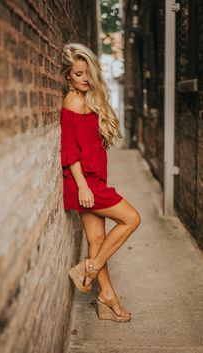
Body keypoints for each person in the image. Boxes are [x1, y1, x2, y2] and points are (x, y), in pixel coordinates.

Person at [60, 42, 141, 323]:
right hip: (86, 183)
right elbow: (69, 150)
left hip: (94, 178)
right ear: (67, 76)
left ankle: (107, 299)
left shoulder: (89, 99)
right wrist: (82, 185)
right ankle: (89, 269)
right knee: (131, 218)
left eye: (87, 73)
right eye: (78, 74)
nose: (84, 79)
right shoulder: (72, 102)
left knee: (97, 239)